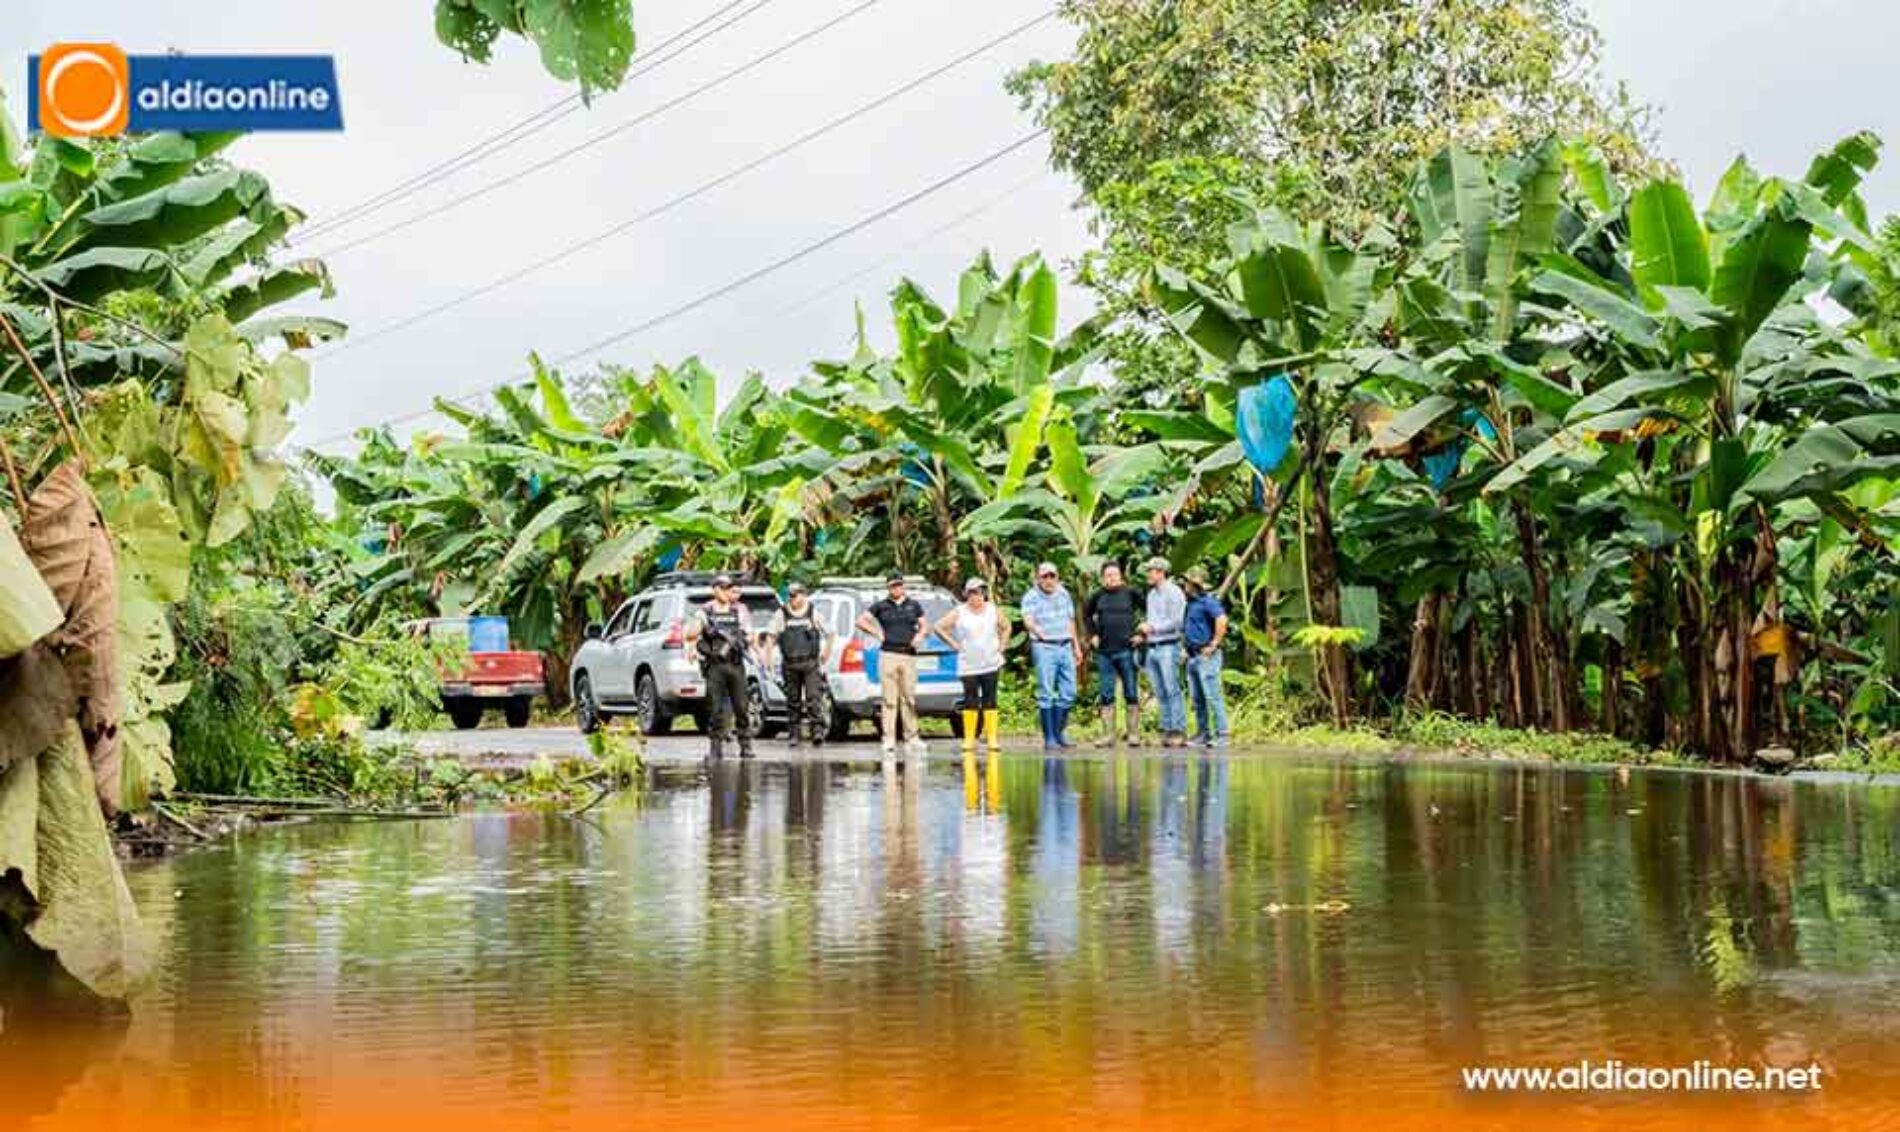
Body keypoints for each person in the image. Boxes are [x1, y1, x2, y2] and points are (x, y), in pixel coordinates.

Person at [933, 578, 1010, 758]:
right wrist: (954, 644)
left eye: (979, 592)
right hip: (969, 663)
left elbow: (1006, 627)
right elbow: (939, 627)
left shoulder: (992, 610)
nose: (976, 596)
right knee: (970, 700)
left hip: (990, 662)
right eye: (973, 593)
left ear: (984, 593)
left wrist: (1002, 646)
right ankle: (969, 738)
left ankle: (992, 737)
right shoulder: (960, 612)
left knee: (990, 699)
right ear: (967, 594)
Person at [683, 574, 757, 759]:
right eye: (723, 588)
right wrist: (703, 628)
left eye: (729, 588)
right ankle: (715, 748)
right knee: (715, 708)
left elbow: (750, 634)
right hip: (715, 666)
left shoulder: (739, 610)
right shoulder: (705, 612)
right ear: (715, 589)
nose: (727, 592)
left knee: (741, 706)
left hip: (735, 664)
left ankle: (745, 746)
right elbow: (691, 634)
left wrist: (742, 640)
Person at [856, 572, 928, 757]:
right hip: (888, 654)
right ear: (888, 587)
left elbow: (924, 625)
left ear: (903, 586)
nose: (896, 589)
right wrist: (877, 633)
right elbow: (861, 621)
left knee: (909, 698)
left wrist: (919, 636)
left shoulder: (913, 605)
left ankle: (912, 736)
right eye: (893, 586)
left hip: (908, 656)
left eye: (899, 585)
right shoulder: (881, 606)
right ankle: (888, 738)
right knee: (889, 700)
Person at [1021, 561, 1082, 750]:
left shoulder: (1064, 594)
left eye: (1052, 576)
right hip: (1044, 646)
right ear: (1038, 578)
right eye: (1044, 576)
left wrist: (1076, 646)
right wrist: (1038, 632)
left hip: (1065, 646)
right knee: (1046, 692)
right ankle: (1049, 738)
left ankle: (1058, 732)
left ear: (1057, 577)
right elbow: (1028, 620)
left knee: (1069, 692)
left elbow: (1070, 621)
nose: (1048, 580)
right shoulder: (1031, 596)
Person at [765, 582, 831, 747]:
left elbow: (830, 633)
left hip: (810, 662)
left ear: (804, 595)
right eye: (790, 596)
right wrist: (768, 661)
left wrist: (826, 653)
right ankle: (794, 734)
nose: (792, 599)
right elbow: (771, 637)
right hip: (790, 663)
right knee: (792, 700)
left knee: (813, 698)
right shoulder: (782, 614)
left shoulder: (813, 612)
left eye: (795, 595)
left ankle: (817, 731)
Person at [1084, 561, 1142, 747]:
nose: (1111, 578)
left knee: (1131, 692)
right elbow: (1086, 615)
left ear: (1121, 576)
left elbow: (1150, 610)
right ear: (1102, 578)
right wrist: (1092, 635)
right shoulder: (1097, 596)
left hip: (1127, 649)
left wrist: (1141, 634)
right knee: (1107, 694)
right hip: (1105, 653)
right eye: (1108, 575)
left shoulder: (1130, 593)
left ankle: (1133, 734)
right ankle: (1108, 735)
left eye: (1114, 575)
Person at [1138, 556, 1188, 748]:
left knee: (1171, 688)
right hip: (1152, 647)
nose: (1148, 574)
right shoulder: (1151, 595)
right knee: (1160, 690)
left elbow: (1177, 621)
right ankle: (1166, 729)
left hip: (1169, 645)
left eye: (1151, 570)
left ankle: (1178, 729)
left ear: (1160, 572)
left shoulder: (1174, 592)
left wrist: (1153, 628)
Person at [1181, 566, 1231, 748]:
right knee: (1198, 698)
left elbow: (1222, 619)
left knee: (1213, 695)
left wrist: (1214, 643)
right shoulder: (1191, 604)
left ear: (1195, 585)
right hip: (1193, 656)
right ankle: (1203, 734)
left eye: (1187, 582)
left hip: (1207, 656)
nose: (1184, 585)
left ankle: (1223, 734)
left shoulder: (1208, 602)